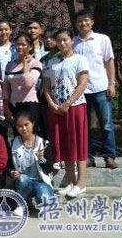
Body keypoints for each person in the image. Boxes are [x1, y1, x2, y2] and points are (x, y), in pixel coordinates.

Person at [43, 28, 89, 198]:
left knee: (79, 143)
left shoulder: (80, 59)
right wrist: (52, 104)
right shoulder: (51, 62)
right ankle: (70, 181)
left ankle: (81, 183)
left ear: (71, 40)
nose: (62, 43)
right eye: (59, 40)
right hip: (56, 109)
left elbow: (82, 84)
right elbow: (46, 87)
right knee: (64, 143)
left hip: (75, 107)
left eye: (65, 39)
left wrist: (68, 103)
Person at [72, 9, 118, 169]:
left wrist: (111, 83)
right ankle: (88, 156)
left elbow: (109, 61)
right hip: (81, 90)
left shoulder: (102, 39)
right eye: (80, 21)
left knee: (106, 123)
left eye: (86, 20)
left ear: (91, 22)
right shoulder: (73, 42)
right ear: (76, 24)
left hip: (100, 87)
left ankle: (109, 156)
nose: (83, 23)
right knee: (84, 125)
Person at [9, 111, 54, 217]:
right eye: (20, 126)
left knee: (46, 206)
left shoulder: (43, 143)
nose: (24, 128)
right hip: (23, 182)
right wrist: (12, 172)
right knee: (22, 179)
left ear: (32, 124)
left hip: (41, 182)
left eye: (26, 124)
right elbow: (8, 166)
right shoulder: (13, 143)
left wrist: (41, 159)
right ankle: (21, 205)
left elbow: (49, 169)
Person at [2, 34, 43, 134]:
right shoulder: (9, 65)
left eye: (23, 45)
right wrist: (6, 109)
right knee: (17, 136)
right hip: (14, 106)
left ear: (30, 46)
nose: (20, 47)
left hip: (30, 105)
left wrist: (25, 65)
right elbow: (6, 90)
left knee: (30, 136)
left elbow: (29, 83)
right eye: (18, 44)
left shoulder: (35, 63)